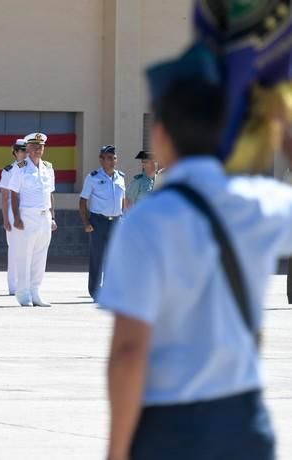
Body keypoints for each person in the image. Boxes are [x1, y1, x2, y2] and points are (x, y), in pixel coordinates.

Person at [99, 42, 290, 460]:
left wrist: (117, 451)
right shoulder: (260, 203)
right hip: (244, 424)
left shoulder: (145, 222)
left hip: (169, 428)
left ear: (161, 134)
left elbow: (130, 350)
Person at [7, 133, 57, 307]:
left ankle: (35, 291)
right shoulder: (20, 168)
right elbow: (14, 193)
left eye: (41, 146)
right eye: (35, 146)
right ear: (27, 148)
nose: (38, 149)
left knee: (40, 256)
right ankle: (23, 293)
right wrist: (17, 217)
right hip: (27, 216)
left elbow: (50, 193)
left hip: (44, 216)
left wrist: (53, 216)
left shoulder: (48, 168)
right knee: (24, 256)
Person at [78, 144, 125, 300]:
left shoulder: (121, 177)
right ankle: (95, 291)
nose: (112, 161)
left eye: (114, 158)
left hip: (116, 221)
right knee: (97, 257)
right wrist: (86, 222)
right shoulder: (93, 177)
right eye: (109, 158)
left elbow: (122, 200)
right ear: (101, 159)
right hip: (98, 221)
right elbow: (83, 201)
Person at [0, 138, 27, 296]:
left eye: (26, 150)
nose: (24, 154)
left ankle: (26, 283)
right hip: (12, 210)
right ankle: (13, 286)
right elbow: (4, 197)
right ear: (15, 152)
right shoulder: (9, 170)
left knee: (29, 248)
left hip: (29, 210)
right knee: (15, 249)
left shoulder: (32, 168)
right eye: (22, 150)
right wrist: (5, 219)